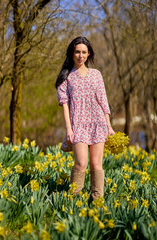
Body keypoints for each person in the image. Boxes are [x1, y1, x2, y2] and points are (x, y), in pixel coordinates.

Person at [55, 36, 115, 200]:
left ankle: (97, 202)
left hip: (98, 124)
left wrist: (108, 126)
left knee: (96, 164)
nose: (80, 55)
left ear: (89, 54)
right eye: (77, 52)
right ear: (72, 54)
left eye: (84, 52)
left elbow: (103, 100)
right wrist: (69, 129)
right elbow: (65, 104)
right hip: (78, 125)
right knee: (81, 164)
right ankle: (74, 202)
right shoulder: (66, 77)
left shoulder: (96, 74)